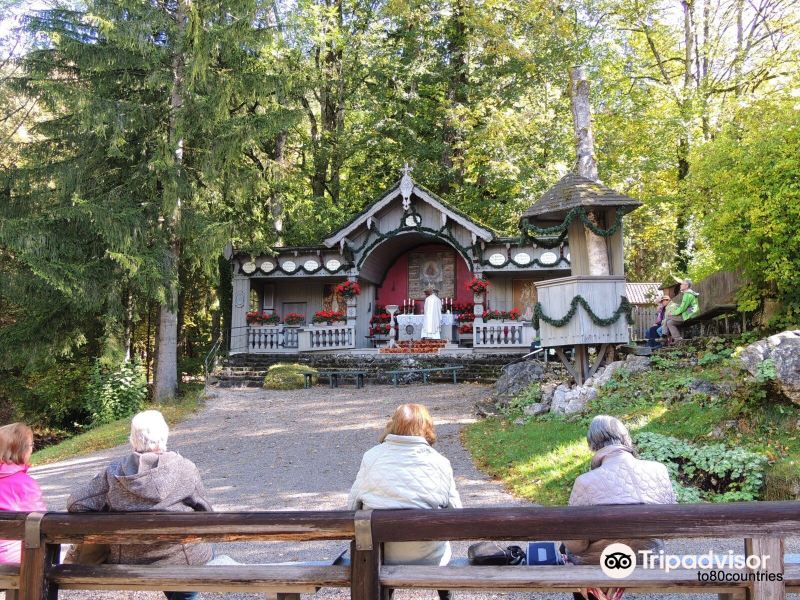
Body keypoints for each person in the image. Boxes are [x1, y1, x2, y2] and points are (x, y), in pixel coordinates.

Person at [68, 410, 213, 600]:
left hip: (128, 559)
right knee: (192, 553)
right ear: (164, 435)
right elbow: (207, 513)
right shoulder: (185, 468)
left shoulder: (112, 473)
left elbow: (76, 504)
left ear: (133, 438)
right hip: (180, 560)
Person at [348, 403, 461, 600]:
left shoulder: (372, 457)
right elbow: (456, 512)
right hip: (429, 556)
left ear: (393, 425)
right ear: (426, 427)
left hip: (380, 556)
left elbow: (352, 507)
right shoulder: (440, 463)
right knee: (442, 547)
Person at [563, 415, 676, 569]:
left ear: (592, 444)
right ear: (625, 438)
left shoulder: (585, 482)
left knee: (565, 548)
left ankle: (593, 594)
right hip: (649, 560)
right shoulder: (659, 470)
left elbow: (577, 545)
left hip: (601, 563)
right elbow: (670, 528)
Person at [0, 423, 46, 564]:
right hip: (13, 559)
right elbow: (41, 523)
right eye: (31, 445)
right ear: (23, 450)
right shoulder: (25, 485)